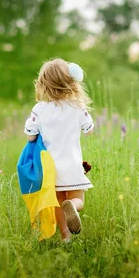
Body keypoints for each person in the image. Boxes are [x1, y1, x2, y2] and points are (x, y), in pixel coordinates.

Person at [24, 59, 94, 242]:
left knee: (57, 202)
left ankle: (66, 239)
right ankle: (73, 206)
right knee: (77, 200)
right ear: (71, 82)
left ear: (44, 85)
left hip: (50, 168)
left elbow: (30, 134)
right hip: (72, 164)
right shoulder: (77, 107)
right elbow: (89, 130)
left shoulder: (39, 109)